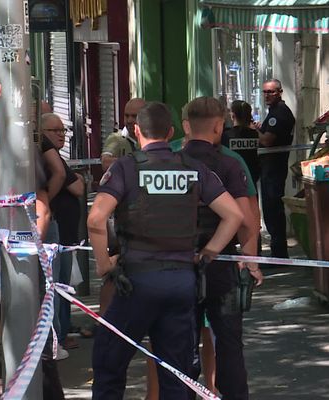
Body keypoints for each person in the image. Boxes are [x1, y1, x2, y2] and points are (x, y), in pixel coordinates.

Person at [88, 101, 244, 399]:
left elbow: (96, 218)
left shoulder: (126, 168)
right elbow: (234, 215)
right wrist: (208, 253)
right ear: (171, 131)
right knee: (176, 374)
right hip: (181, 283)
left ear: (136, 131)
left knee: (109, 363)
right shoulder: (193, 169)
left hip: (136, 282)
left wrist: (104, 265)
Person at [0, 89, 64, 400]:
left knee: (33, 332)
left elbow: (41, 204)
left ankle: (50, 394)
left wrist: (31, 250)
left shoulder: (19, 152)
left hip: (21, 253)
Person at [182, 97, 263, 400]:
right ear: (219, 126)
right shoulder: (229, 164)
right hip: (221, 267)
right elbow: (245, 220)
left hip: (179, 266)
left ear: (186, 126)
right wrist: (251, 261)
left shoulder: (171, 164)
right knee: (229, 346)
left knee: (182, 346)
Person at [40, 113, 86, 354]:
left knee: (63, 287)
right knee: (57, 287)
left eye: (63, 130)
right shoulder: (50, 158)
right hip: (57, 237)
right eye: (54, 130)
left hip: (66, 235)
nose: (61, 135)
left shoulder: (57, 158)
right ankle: (57, 337)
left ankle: (61, 333)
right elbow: (78, 186)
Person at [254, 79, 295, 258]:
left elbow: (267, 140)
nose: (267, 95)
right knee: (271, 210)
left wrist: (252, 129)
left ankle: (279, 254)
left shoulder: (279, 113)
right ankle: (278, 253)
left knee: (273, 211)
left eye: (271, 92)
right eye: (264, 92)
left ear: (280, 92)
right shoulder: (274, 112)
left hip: (274, 168)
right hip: (270, 168)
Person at [222, 100, 260, 185]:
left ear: (233, 115)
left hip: (232, 179)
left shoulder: (226, 135)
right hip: (252, 177)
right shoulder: (254, 134)